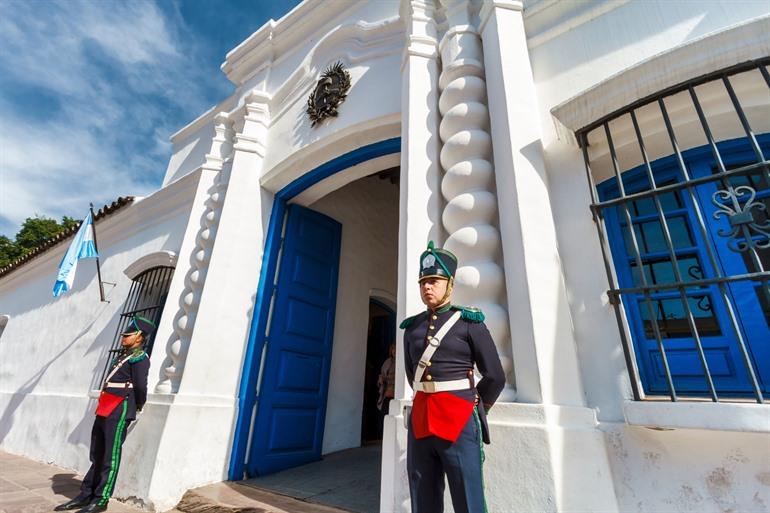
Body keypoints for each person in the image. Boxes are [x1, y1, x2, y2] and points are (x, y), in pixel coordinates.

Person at [401, 241, 505, 513]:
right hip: (421, 421)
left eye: (435, 280)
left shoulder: (470, 323)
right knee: (422, 496)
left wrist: (474, 405)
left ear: (450, 283)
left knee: (467, 499)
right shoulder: (411, 329)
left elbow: (495, 376)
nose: (427, 287)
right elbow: (414, 375)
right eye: (423, 281)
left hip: (459, 420)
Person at [55, 315, 155, 513]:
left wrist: (139, 405)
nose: (123, 337)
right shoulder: (123, 356)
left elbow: (141, 387)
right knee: (97, 453)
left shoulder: (140, 358)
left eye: (129, 335)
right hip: (106, 406)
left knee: (110, 455)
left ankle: (101, 499)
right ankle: (86, 495)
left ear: (140, 337)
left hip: (120, 408)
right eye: (124, 334)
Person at [377, 343, 396, 414]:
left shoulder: (402, 363)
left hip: (396, 395)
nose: (394, 351)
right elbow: (382, 375)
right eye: (393, 348)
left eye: (396, 349)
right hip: (387, 395)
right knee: (385, 415)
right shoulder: (387, 362)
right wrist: (381, 379)